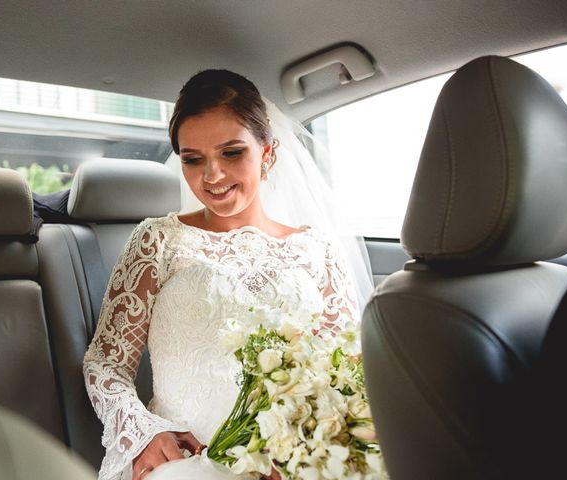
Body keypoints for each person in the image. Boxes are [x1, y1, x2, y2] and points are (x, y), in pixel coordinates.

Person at [83, 69, 372, 480]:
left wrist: (304, 445)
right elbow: (105, 364)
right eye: (193, 159)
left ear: (267, 153)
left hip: (291, 459)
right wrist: (144, 433)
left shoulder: (318, 249)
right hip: (184, 457)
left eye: (231, 153)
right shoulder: (158, 241)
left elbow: (344, 371)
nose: (212, 176)